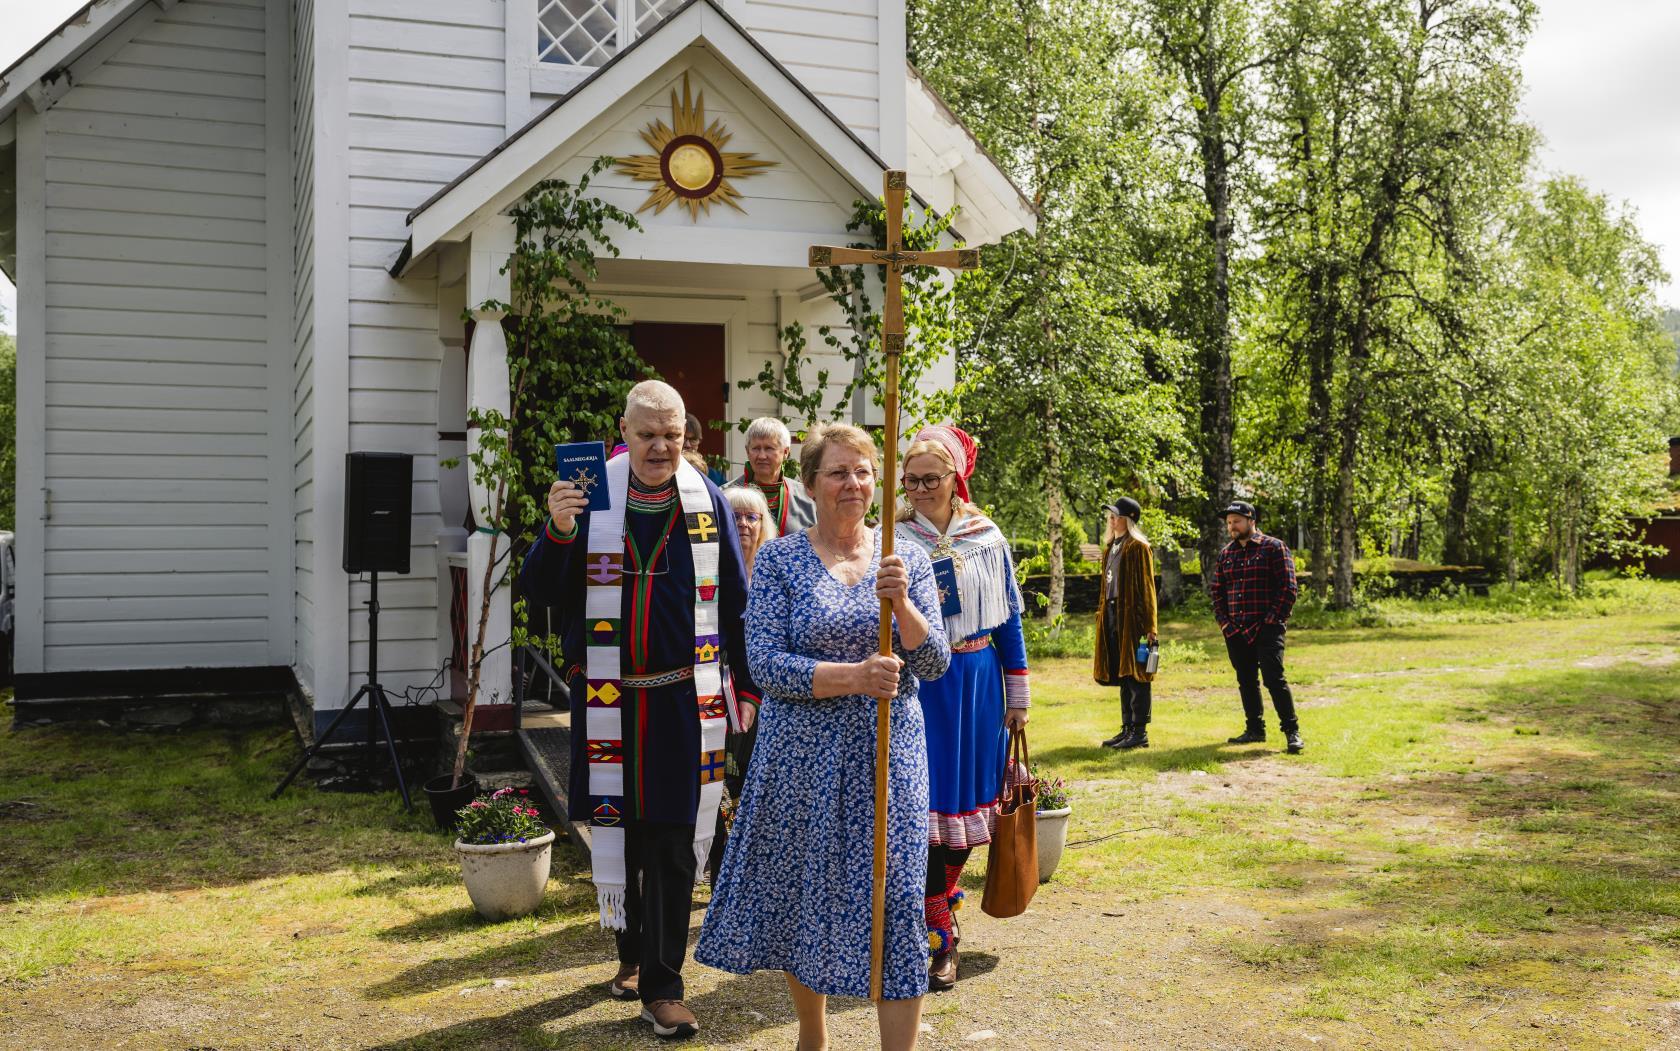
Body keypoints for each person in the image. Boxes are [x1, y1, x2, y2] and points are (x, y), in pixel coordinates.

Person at [697, 423, 951, 1051]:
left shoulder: (906, 558)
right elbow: (765, 664)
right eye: (838, 472)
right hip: (800, 757)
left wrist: (907, 608)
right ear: (808, 484)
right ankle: (814, 1036)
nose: (853, 483)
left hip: (889, 757)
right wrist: (855, 676)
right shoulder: (783, 560)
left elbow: (936, 663)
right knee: (806, 892)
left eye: (863, 471)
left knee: (895, 897)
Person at [520, 380, 760, 1041]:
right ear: (621, 431)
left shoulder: (705, 499)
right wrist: (560, 529)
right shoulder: (591, 494)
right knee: (619, 833)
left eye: (672, 434)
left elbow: (734, 599)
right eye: (647, 433)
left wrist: (747, 683)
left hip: (684, 698)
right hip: (609, 698)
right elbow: (539, 590)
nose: (660, 446)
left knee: (675, 841)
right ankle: (630, 951)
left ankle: (663, 984)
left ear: (687, 436)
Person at [893, 424, 1030, 991]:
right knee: (922, 812)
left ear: (957, 479)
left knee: (968, 815)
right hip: (922, 687)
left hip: (977, 684)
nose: (921, 488)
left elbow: (1008, 618)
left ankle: (943, 907)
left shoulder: (986, 535)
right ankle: (940, 935)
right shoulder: (893, 538)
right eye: (911, 480)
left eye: (932, 478)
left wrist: (1018, 692)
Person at [705, 485, 779, 882]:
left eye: (753, 517)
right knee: (721, 788)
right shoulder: (708, 574)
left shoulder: (776, 571)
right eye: (735, 517)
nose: (744, 524)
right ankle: (722, 879)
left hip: (768, 702)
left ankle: (759, 878)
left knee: (761, 791)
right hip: (717, 695)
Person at [1210, 501, 1303, 754]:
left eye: (1237, 521)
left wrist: (1272, 620)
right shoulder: (1226, 554)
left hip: (1267, 628)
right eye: (1229, 522)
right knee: (1246, 681)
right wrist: (1225, 624)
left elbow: (1288, 588)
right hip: (1235, 631)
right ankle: (1255, 730)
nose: (1232, 526)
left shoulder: (1274, 548)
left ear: (1251, 520)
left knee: (1274, 679)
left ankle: (1291, 732)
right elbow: (1217, 592)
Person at [1093, 498, 1159, 749]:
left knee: (1137, 673)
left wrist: (1150, 626)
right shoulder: (1112, 547)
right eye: (1110, 515)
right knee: (1122, 672)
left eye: (1116, 515)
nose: (1111, 519)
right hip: (1113, 614)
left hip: (1133, 618)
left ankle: (1139, 731)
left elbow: (1148, 588)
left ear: (1128, 519)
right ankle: (1127, 727)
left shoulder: (1138, 547)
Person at [725, 416, 815, 534]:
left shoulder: (808, 499)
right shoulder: (725, 496)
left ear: (786, 452)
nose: (762, 456)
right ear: (747, 451)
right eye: (756, 448)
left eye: (769, 448)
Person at [684, 411, 727, 486]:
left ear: (699, 441)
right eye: (684, 439)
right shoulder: (663, 473)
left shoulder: (714, 477)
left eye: (693, 439)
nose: (687, 445)